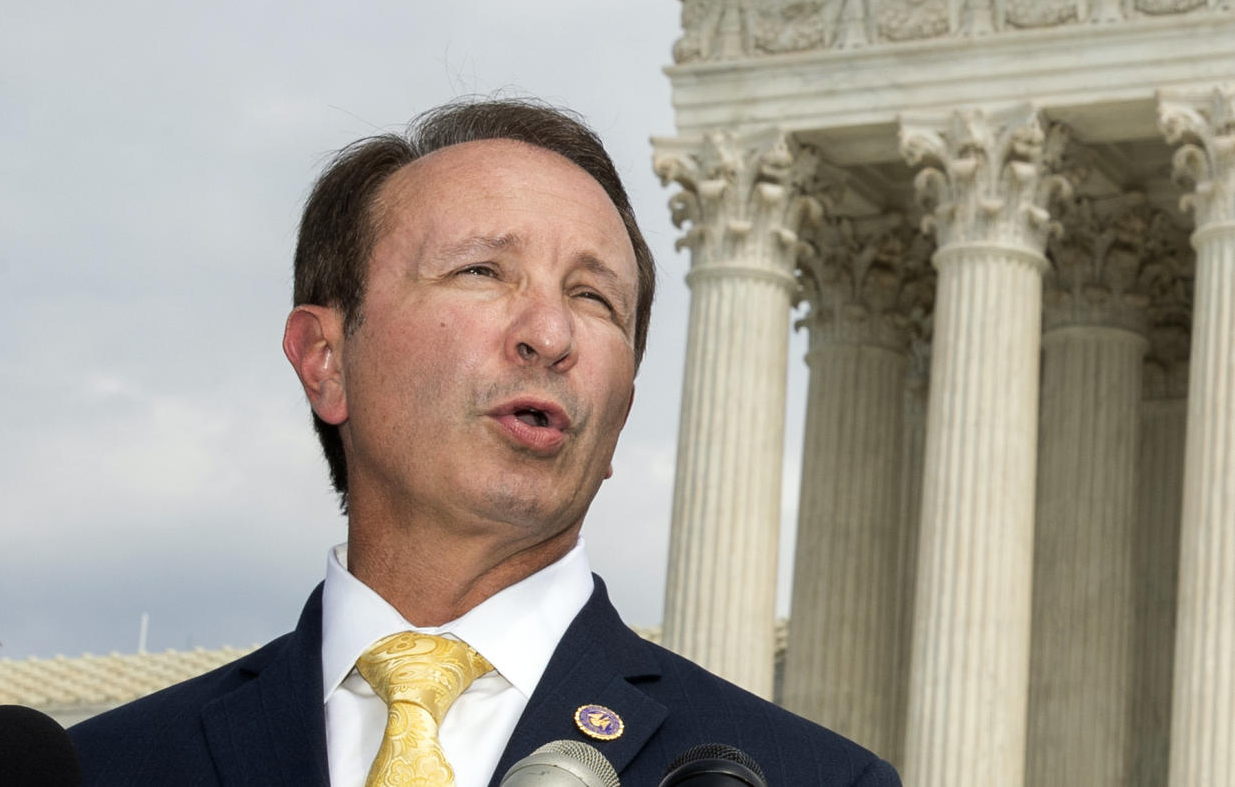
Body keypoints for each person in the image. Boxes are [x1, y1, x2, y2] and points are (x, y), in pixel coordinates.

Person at [68, 99, 900, 786]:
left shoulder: (813, 778)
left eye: (594, 298)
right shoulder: (100, 767)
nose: (549, 333)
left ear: (620, 416)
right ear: (326, 361)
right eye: (482, 272)